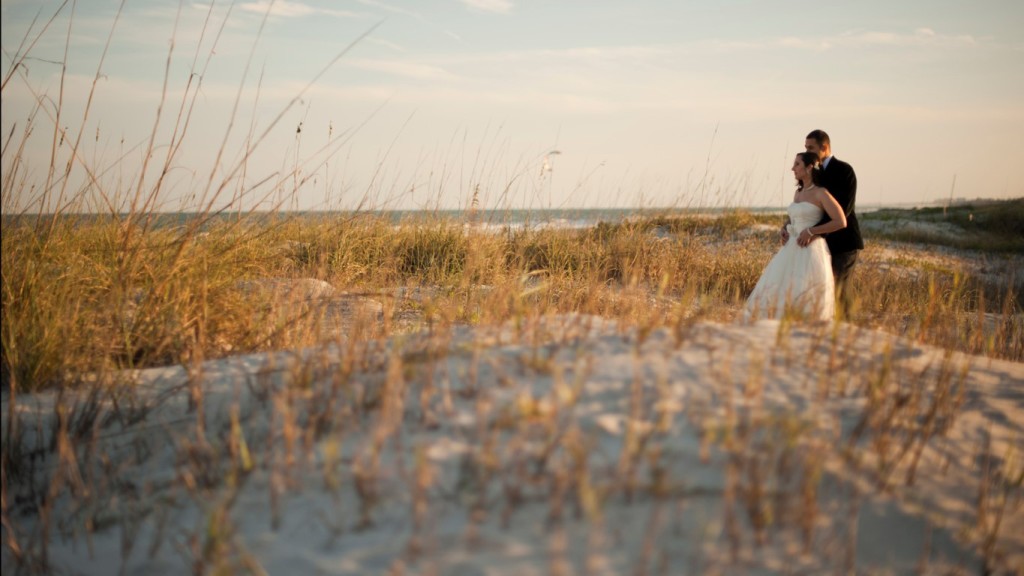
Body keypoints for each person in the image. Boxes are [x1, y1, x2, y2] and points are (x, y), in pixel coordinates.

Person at [743, 151, 847, 321]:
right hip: (791, 247)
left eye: (797, 164)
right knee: (780, 287)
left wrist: (812, 231)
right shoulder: (798, 193)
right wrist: (784, 228)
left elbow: (841, 221)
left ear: (809, 167)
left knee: (804, 290)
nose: (793, 168)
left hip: (810, 249)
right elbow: (793, 218)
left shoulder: (821, 193)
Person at [783, 129, 863, 318]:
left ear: (824, 147)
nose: (807, 151)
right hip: (815, 245)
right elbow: (803, 207)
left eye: (811, 148)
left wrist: (813, 231)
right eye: (806, 148)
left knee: (839, 290)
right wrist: (788, 227)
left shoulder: (844, 171)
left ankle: (847, 333)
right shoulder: (811, 174)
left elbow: (844, 210)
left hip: (843, 242)